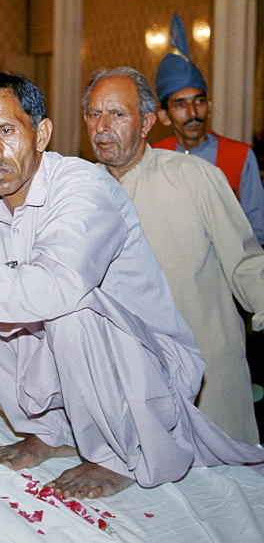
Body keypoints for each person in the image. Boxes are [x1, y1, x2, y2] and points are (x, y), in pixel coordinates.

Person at [0, 71, 264, 500]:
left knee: (63, 302)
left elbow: (54, 287)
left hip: (147, 372)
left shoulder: (84, 188)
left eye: (6, 131)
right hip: (66, 359)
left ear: (41, 134)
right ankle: (51, 431)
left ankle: (114, 454)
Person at [85, 66, 264, 444]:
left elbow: (246, 264)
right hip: (124, 377)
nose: (102, 126)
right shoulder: (80, 193)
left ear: (148, 121)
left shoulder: (195, 177)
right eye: (93, 113)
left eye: (117, 114)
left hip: (207, 376)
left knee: (222, 489)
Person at [151, 13, 264, 245]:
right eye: (180, 104)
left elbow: (257, 230)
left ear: (209, 106)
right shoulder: (152, 156)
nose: (193, 113)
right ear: (164, 116)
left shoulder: (240, 156)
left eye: (199, 101)